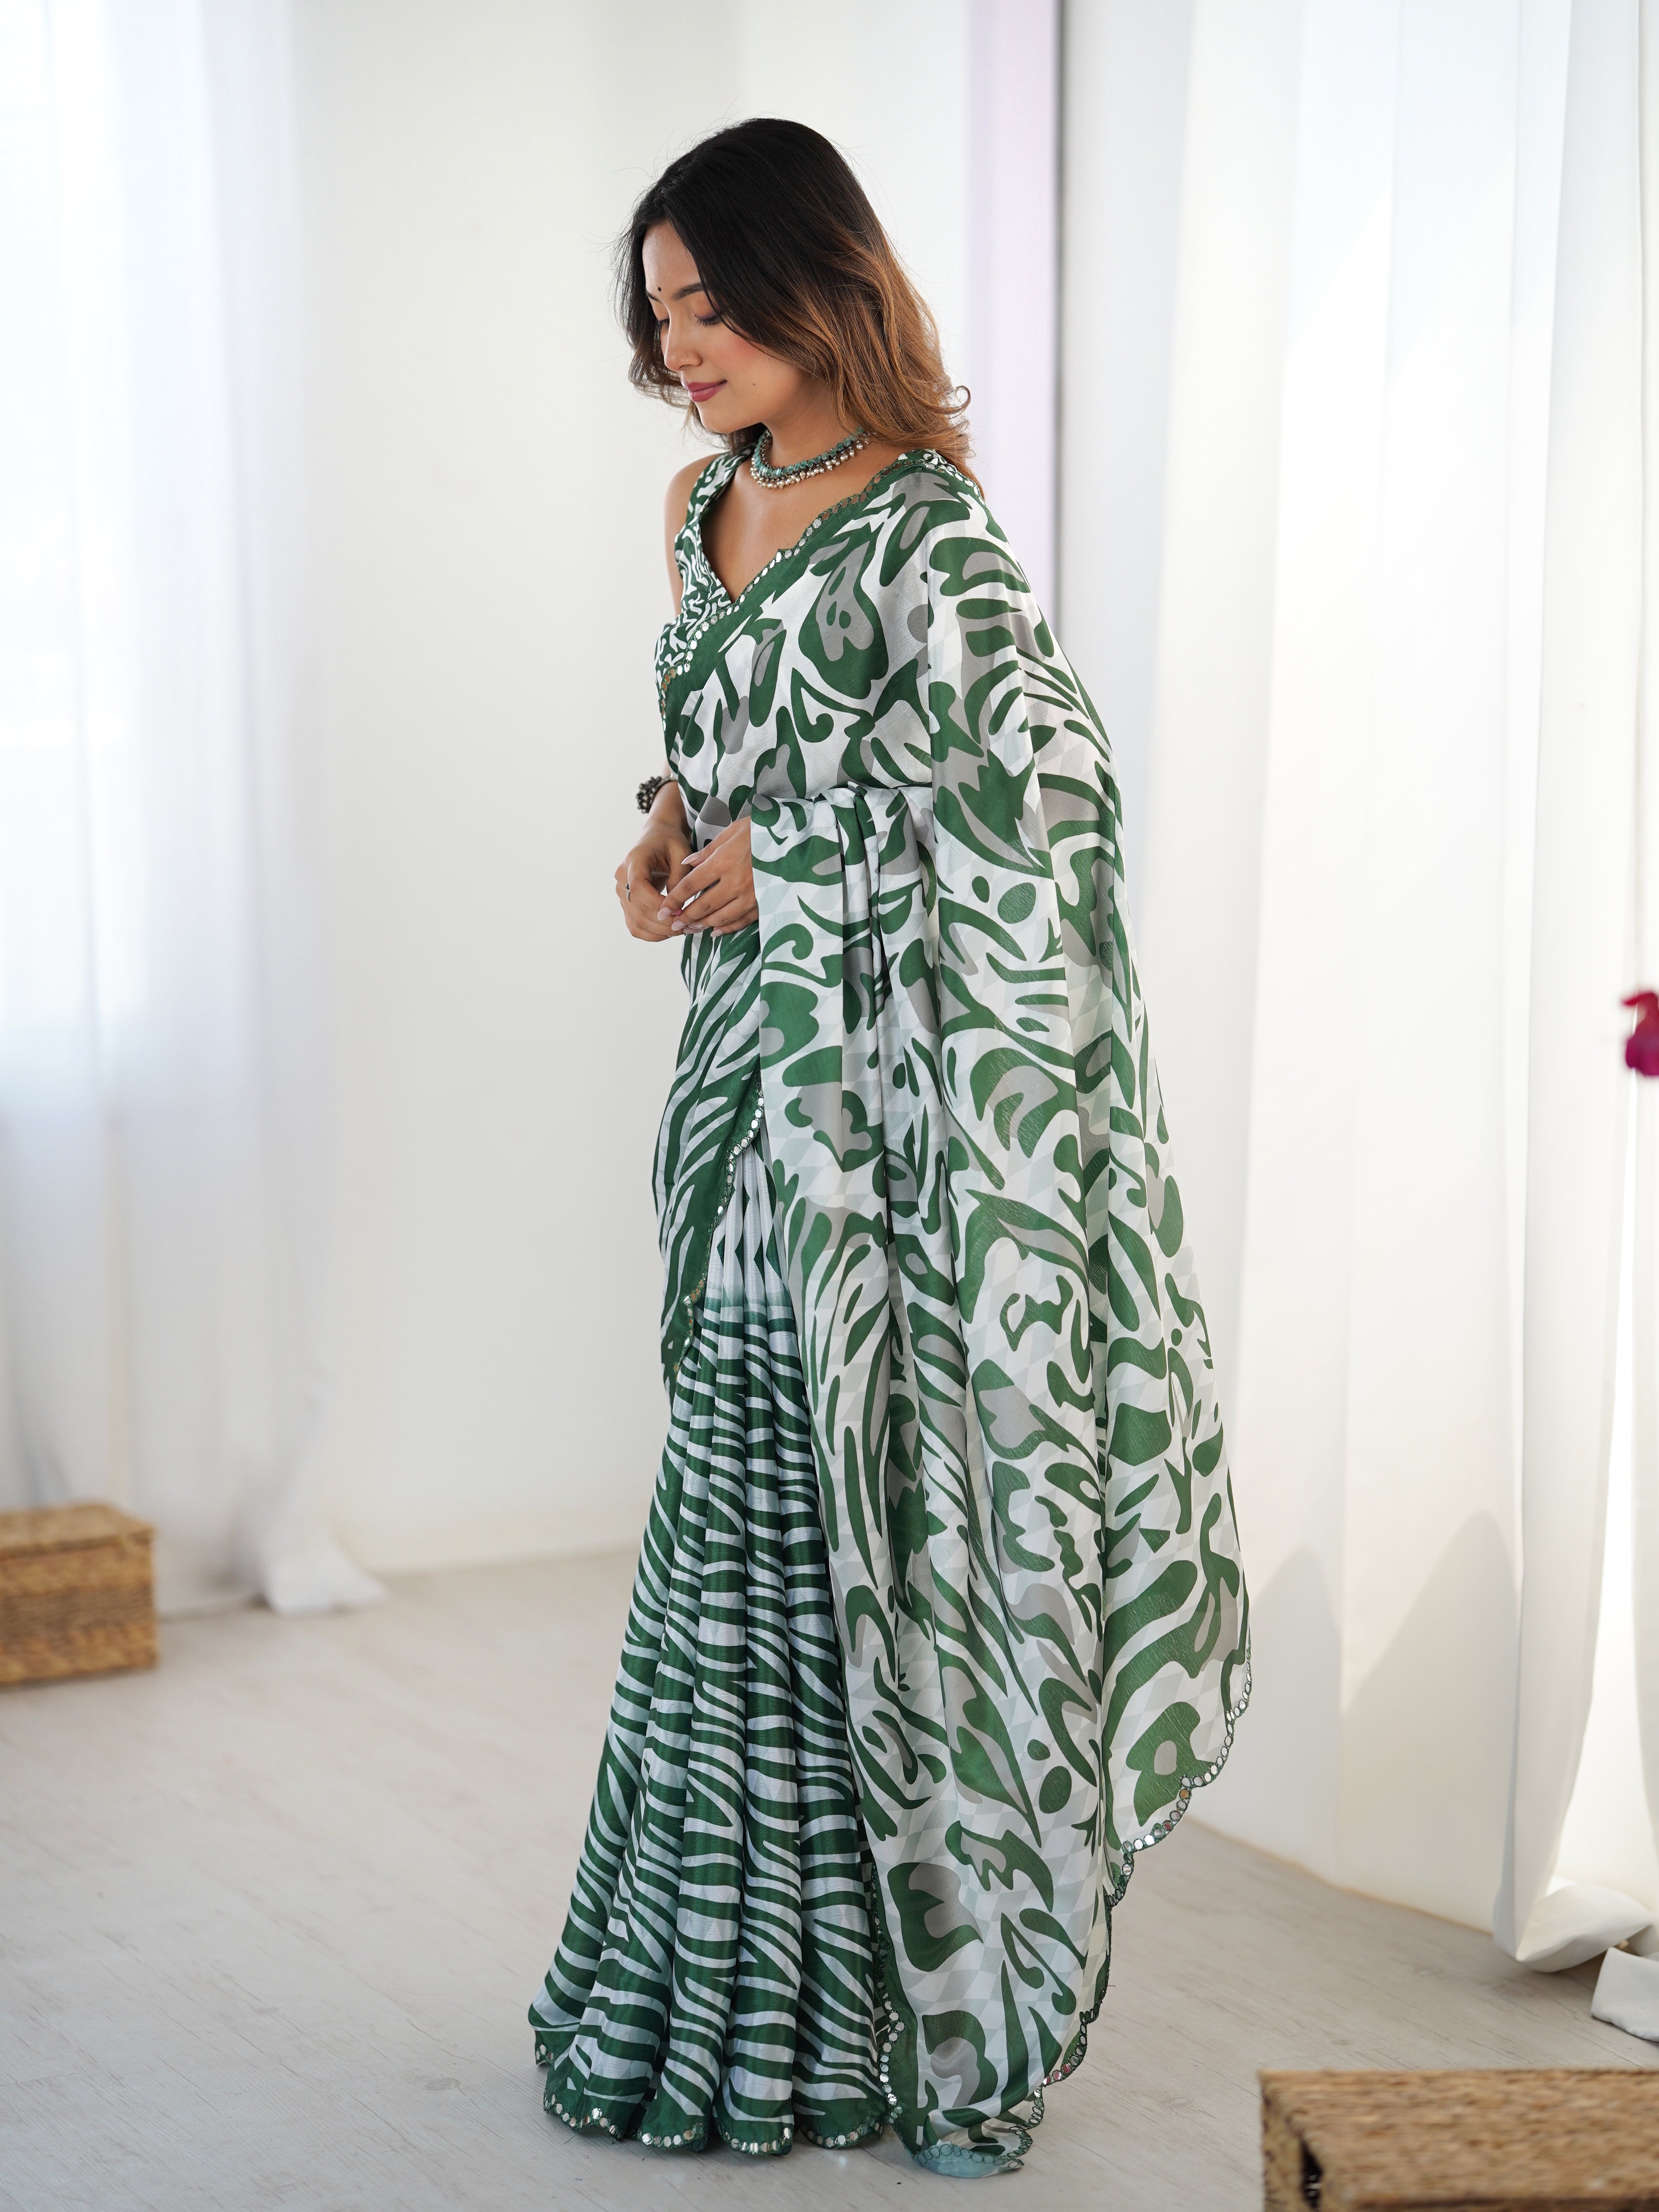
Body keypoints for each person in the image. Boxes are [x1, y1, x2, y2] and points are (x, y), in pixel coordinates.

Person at [528, 117, 1248, 2181]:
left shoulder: (930, 534)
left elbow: (1052, 802)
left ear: (810, 279)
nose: (682, 348)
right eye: (660, 316)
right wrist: (670, 831)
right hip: (741, 1080)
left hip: (888, 1121)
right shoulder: (705, 507)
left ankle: (892, 2012)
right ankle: (717, 1988)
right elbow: (724, 740)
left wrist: (801, 861)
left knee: (858, 1517)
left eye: (709, 305)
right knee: (736, 1516)